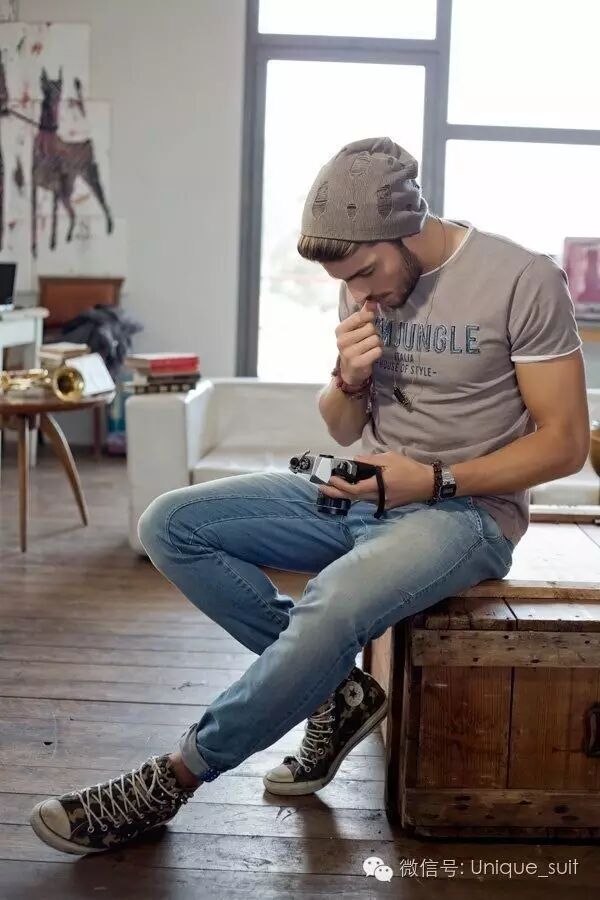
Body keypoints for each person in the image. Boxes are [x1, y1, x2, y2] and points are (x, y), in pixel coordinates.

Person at [29, 136, 590, 855]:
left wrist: (435, 478)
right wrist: (347, 379)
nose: (360, 294)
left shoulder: (523, 278)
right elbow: (342, 425)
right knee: (170, 524)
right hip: (365, 489)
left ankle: (172, 779)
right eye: (346, 282)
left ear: (407, 227)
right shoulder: (365, 277)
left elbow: (565, 443)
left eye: (366, 274)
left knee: (333, 601)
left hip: (467, 512)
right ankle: (336, 691)